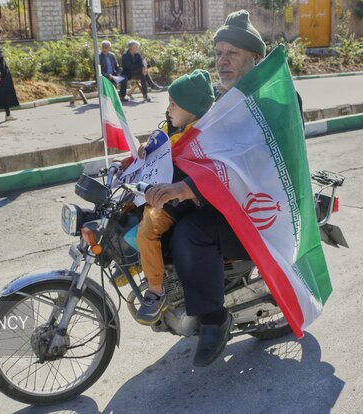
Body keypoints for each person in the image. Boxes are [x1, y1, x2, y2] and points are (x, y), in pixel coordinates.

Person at [143, 9, 272, 367]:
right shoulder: (218, 100)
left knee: (188, 234)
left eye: (232, 53)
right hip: (216, 195)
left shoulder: (270, 102)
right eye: (218, 53)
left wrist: (185, 189)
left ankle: (215, 317)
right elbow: (187, 137)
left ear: (254, 58)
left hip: (254, 204)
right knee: (157, 222)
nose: (222, 61)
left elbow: (247, 161)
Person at [134, 69, 215, 325]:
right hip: (160, 191)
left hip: (181, 203)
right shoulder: (174, 127)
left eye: (174, 104)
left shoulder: (202, 137)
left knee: (147, 230)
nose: (168, 109)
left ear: (192, 109)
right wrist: (146, 148)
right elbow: (159, 148)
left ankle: (157, 291)